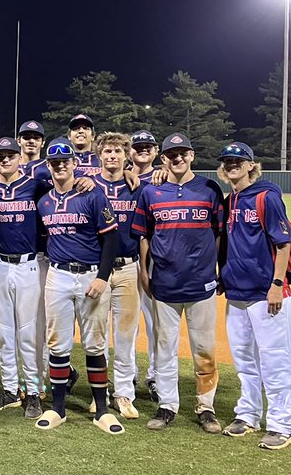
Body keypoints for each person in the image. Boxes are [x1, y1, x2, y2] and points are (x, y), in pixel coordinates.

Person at [133, 133, 226, 433]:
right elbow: (144, 235)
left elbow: (219, 233)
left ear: (192, 156)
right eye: (172, 154)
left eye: (183, 153)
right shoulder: (151, 192)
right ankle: (167, 404)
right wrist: (144, 273)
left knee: (204, 347)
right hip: (164, 282)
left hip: (201, 282)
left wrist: (219, 269)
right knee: (164, 348)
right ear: (164, 158)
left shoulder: (210, 189)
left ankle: (206, 406)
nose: (177, 158)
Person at [217, 141, 291, 450]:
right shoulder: (229, 201)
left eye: (238, 160)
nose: (232, 165)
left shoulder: (267, 197)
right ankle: (248, 414)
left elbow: (283, 245)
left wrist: (277, 284)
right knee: (244, 360)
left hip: (267, 292)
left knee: (276, 359)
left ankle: (281, 424)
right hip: (237, 293)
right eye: (227, 161)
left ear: (252, 165)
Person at [35, 138, 121, 433]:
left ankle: (102, 410)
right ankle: (58, 409)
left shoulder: (92, 195)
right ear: (49, 166)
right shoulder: (44, 201)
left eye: (65, 161)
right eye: (54, 162)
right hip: (57, 275)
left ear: (74, 163)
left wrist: (103, 276)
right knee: (57, 345)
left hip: (91, 275)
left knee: (95, 345)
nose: (60, 166)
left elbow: (111, 239)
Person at [0, 137, 48, 419]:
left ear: (19, 158)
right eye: (0, 156)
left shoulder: (35, 185)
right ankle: (8, 389)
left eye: (10, 155)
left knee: (28, 333)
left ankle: (33, 392)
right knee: (4, 333)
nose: (5, 160)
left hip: (29, 265)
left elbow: (63, 186)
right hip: (0, 265)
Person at [92, 132, 144, 420]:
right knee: (96, 335)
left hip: (127, 267)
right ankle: (98, 392)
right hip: (97, 270)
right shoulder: (87, 185)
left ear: (127, 156)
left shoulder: (137, 187)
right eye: (107, 151)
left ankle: (123, 393)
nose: (112, 156)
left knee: (125, 336)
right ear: (100, 155)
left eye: (117, 151)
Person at [129, 129, 163, 401]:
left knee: (154, 323)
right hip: (124, 259)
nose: (143, 150)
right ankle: (128, 373)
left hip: (153, 260)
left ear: (155, 151)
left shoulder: (162, 178)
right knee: (126, 323)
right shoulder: (118, 175)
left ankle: (154, 376)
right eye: (138, 146)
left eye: (147, 146)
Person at [68, 112, 102, 177]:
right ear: (69, 136)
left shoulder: (103, 158)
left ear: (93, 136)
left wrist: (126, 172)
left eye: (85, 128)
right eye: (76, 128)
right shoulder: (62, 160)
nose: (81, 131)